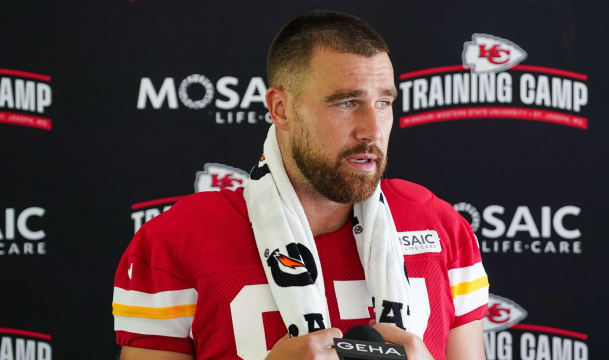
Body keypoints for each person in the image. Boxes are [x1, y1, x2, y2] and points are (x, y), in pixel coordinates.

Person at [113, 10, 489, 360]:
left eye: (384, 102)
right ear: (281, 109)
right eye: (346, 103)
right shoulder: (175, 242)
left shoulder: (441, 227)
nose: (372, 130)